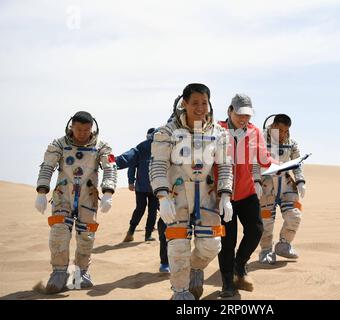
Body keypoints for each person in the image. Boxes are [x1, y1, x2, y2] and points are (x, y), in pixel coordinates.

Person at [151, 83, 234, 300]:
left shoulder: (219, 133)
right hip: (177, 197)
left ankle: (195, 269)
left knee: (212, 245)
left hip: (207, 195)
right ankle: (180, 292)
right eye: (195, 103)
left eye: (204, 103)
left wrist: (225, 195)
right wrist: (162, 196)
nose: (200, 107)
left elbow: (225, 166)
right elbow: (158, 165)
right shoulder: (166, 132)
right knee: (178, 247)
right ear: (184, 103)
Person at [34, 111, 117, 293]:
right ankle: (59, 272)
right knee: (59, 232)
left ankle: (81, 272)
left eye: (86, 130)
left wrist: (108, 192)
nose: (82, 133)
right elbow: (47, 166)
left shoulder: (102, 146)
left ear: (92, 128)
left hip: (88, 196)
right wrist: (41, 191)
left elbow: (110, 167)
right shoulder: (59, 145)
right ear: (71, 127)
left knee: (86, 236)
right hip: (63, 196)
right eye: (78, 129)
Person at [217, 94, 277, 298]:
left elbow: (263, 159)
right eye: (240, 114)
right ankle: (227, 283)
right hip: (222, 195)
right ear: (230, 111)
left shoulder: (254, 131)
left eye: (248, 115)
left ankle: (239, 265)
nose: (244, 119)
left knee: (256, 230)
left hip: (247, 192)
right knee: (228, 240)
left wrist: (277, 164)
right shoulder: (216, 129)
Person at [115, 128, 169, 273]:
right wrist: (130, 181)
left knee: (152, 211)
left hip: (155, 187)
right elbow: (132, 165)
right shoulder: (143, 148)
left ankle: (148, 234)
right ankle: (131, 231)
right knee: (140, 208)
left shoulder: (162, 148)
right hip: (141, 187)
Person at [255, 114, 306, 265]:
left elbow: (297, 164)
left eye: (286, 131)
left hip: (285, 185)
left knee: (294, 215)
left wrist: (300, 181)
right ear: (273, 126)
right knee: (266, 221)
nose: (283, 134)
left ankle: (284, 244)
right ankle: (266, 250)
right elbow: (254, 163)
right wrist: (256, 181)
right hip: (266, 186)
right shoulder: (260, 141)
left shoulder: (291, 144)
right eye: (280, 130)